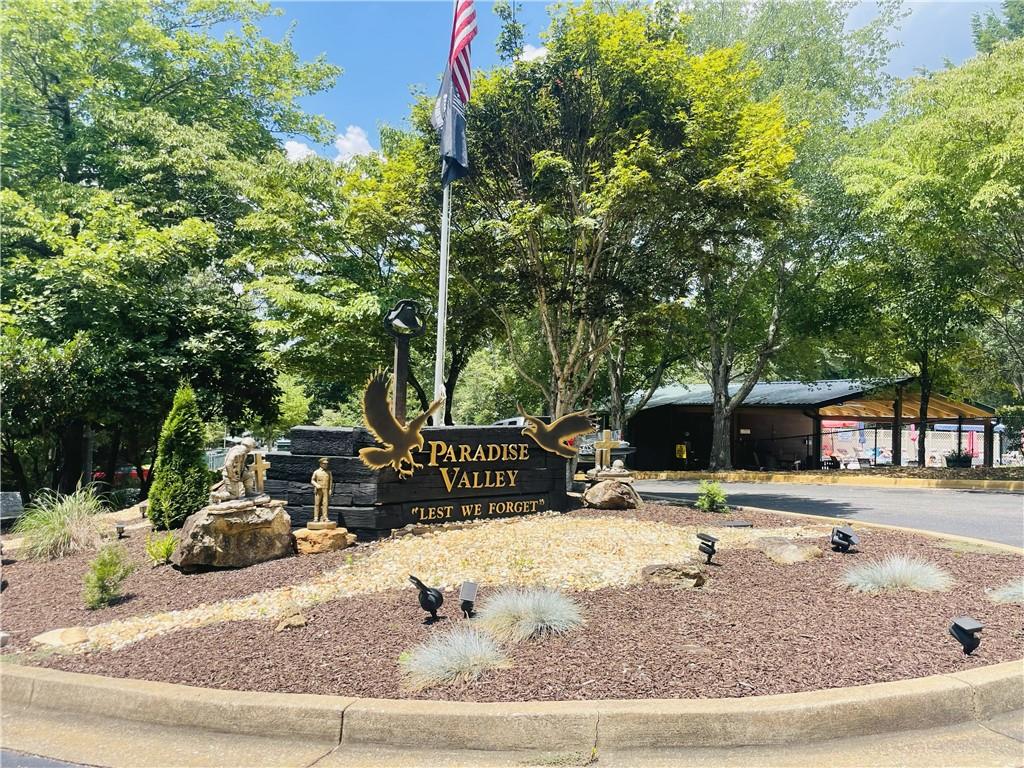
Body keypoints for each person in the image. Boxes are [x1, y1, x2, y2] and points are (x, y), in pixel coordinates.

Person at [310, 458, 333, 524]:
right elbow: (312, 480)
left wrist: (330, 489)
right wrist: (316, 485)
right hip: (318, 490)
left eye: (327, 464)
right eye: (324, 464)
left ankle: (325, 517)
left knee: (325, 504)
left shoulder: (329, 472)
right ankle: (316, 517)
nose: (326, 465)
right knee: (317, 504)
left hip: (326, 489)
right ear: (320, 464)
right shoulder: (316, 472)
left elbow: (330, 481)